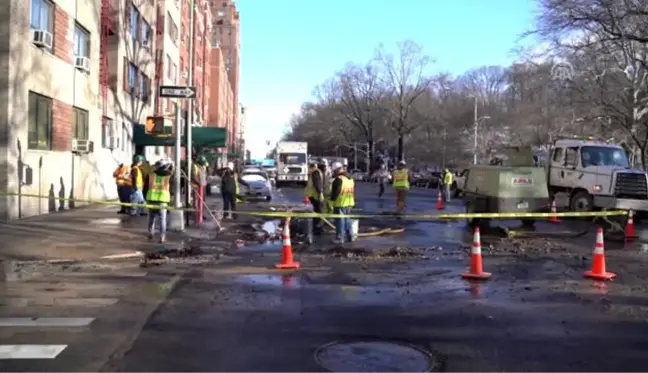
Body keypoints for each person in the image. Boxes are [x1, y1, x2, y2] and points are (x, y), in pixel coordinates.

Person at [146, 158, 174, 243]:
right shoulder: (169, 175)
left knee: (151, 218)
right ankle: (162, 237)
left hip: (152, 198)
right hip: (163, 200)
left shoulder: (151, 175)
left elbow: (146, 185)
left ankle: (150, 233)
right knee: (162, 219)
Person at [329, 162, 356, 244]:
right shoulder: (350, 179)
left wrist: (331, 200)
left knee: (339, 221)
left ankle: (340, 238)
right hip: (349, 203)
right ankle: (350, 236)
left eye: (334, 171)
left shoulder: (338, 180)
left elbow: (335, 193)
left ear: (336, 170)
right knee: (347, 220)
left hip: (340, 203)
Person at [306, 159, 324, 234]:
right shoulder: (316, 173)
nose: (308, 169)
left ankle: (316, 227)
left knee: (316, 212)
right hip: (316, 195)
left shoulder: (313, 173)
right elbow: (317, 184)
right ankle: (317, 228)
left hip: (312, 195)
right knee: (319, 212)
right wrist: (320, 193)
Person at [191, 155, 209, 221]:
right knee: (196, 202)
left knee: (202, 201)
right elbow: (194, 176)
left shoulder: (203, 167)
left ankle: (201, 215)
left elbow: (206, 175)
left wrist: (205, 181)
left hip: (203, 186)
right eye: (203, 162)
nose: (204, 163)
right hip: (197, 187)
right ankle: (196, 217)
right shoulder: (195, 167)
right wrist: (199, 183)